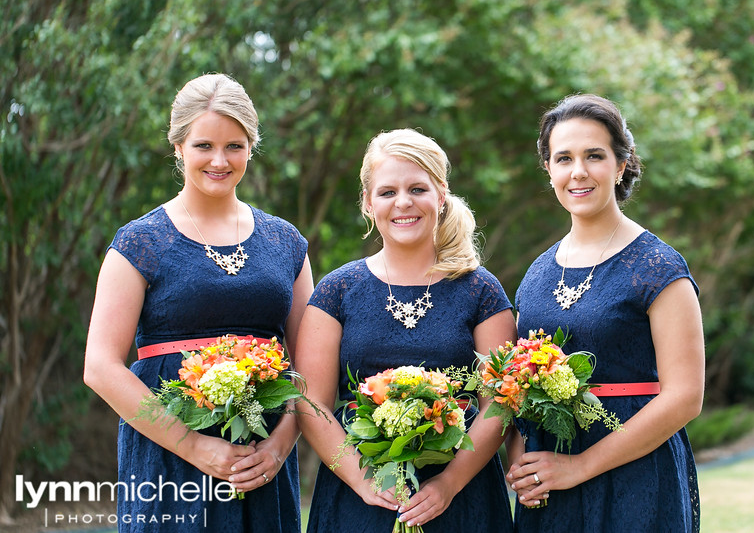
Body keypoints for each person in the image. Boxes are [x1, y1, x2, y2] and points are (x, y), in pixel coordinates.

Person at [83, 73, 313, 533]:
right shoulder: (140, 241)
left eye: (234, 146)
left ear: (251, 147)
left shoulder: (286, 241)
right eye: (203, 145)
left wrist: (281, 443)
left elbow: (311, 363)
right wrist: (194, 447)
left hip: (260, 458)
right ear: (178, 148)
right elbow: (100, 367)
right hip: (168, 459)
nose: (219, 160)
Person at [295, 128, 516, 532]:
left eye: (418, 188)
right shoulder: (337, 290)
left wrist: (449, 483)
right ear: (367, 202)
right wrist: (363, 481)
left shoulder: (481, 290)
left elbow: (498, 404)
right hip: (358, 496)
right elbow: (311, 403)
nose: (403, 203)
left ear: (441, 195)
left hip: (462, 497)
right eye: (387, 192)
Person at [508, 94, 704, 532]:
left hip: (636, 477)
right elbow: (518, 384)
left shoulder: (658, 267)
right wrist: (521, 458)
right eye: (564, 158)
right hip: (550, 482)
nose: (578, 171)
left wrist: (580, 466)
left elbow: (686, 396)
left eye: (594, 156)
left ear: (621, 164)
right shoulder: (538, 273)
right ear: (549, 169)